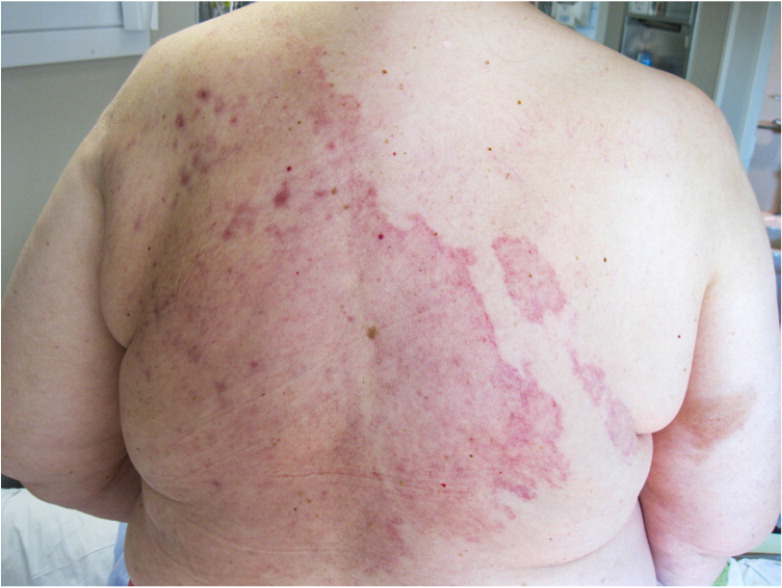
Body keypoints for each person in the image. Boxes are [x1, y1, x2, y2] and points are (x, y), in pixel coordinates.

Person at [2, 3, 779, 585]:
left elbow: (42, 449)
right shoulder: (672, 138)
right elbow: (716, 524)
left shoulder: (162, 95)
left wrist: (217, 519)